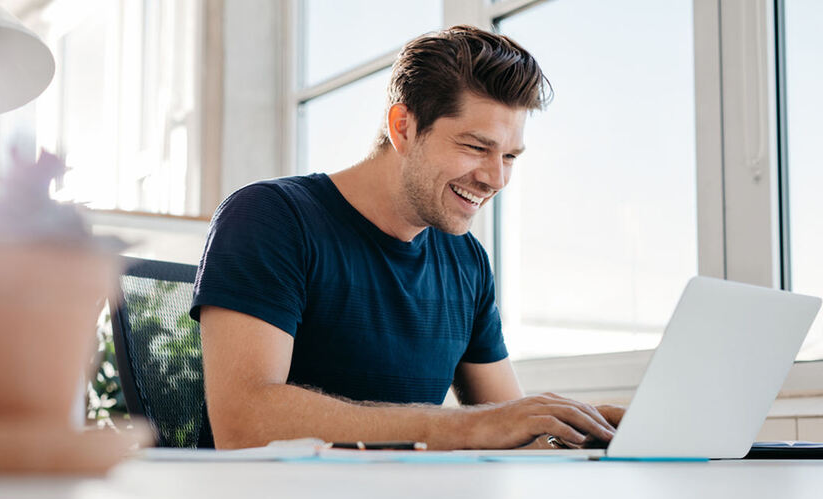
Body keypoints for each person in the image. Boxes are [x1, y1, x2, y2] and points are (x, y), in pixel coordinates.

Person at [190, 25, 623, 450]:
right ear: (403, 128)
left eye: (510, 156)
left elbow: (505, 426)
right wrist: (461, 428)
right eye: (475, 147)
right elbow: (242, 424)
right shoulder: (271, 217)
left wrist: (582, 432)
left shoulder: (466, 260)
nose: (496, 178)